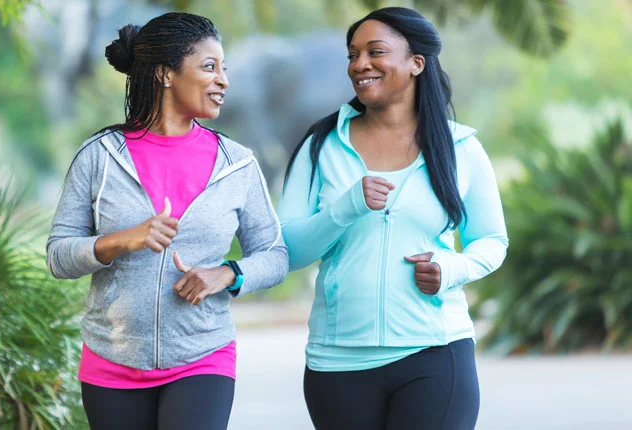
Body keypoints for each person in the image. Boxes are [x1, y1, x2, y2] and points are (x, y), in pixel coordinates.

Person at [46, 12, 287, 430]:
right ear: (165, 74)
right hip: (111, 360)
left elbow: (275, 254)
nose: (224, 80)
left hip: (202, 356)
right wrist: (120, 241)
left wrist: (227, 274)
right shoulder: (100, 156)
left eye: (223, 68)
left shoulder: (237, 164)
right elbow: (58, 256)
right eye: (209, 67)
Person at [277, 7, 509, 430]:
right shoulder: (320, 146)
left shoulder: (461, 147)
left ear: (416, 63)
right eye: (352, 54)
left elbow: (492, 240)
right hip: (337, 360)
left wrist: (451, 267)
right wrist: (345, 207)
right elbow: (287, 250)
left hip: (436, 352)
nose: (359, 64)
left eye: (375, 52)